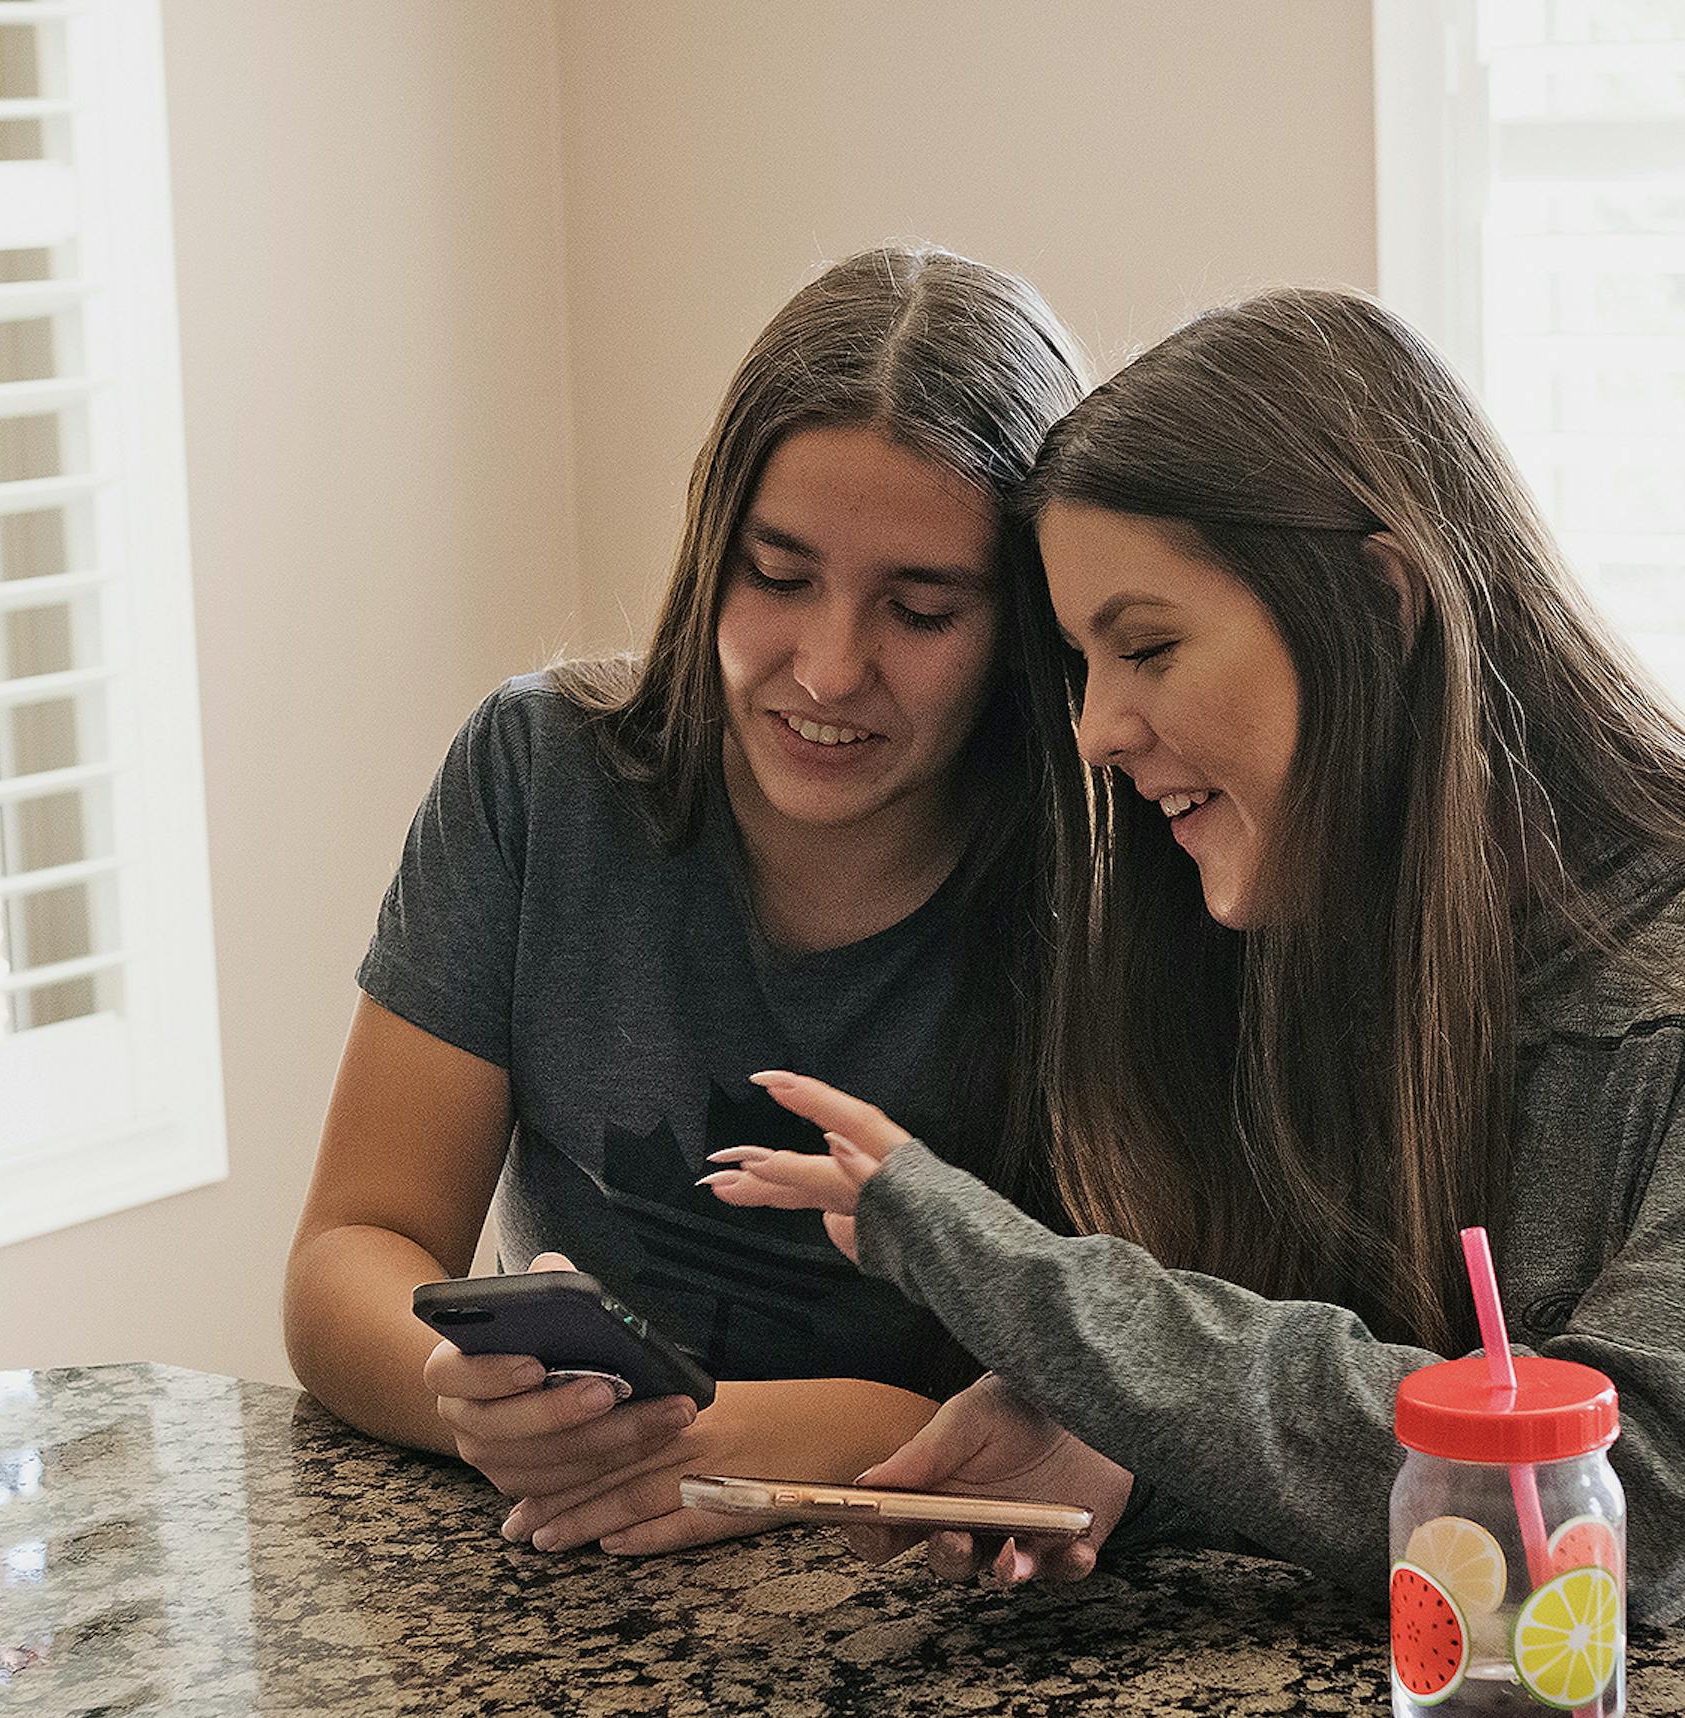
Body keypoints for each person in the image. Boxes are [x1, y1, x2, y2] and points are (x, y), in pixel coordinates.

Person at [702, 287, 1685, 1628]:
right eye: (1078, 663)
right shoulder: (1299, 944)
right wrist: (1132, 1455)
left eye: (1149, 645)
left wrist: (1013, 1277)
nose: (1099, 730)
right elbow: (1365, 1439)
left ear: (1379, 605)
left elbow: (1622, 1501)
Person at [285, 245, 1087, 1556]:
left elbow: (1131, 1384)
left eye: (921, 609)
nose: (828, 670)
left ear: (1026, 630)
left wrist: (821, 1427)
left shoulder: (1106, 880)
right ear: (711, 547)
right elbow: (352, 1251)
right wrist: (470, 1403)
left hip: (931, 1600)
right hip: (577, 1564)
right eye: (778, 579)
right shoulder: (538, 775)